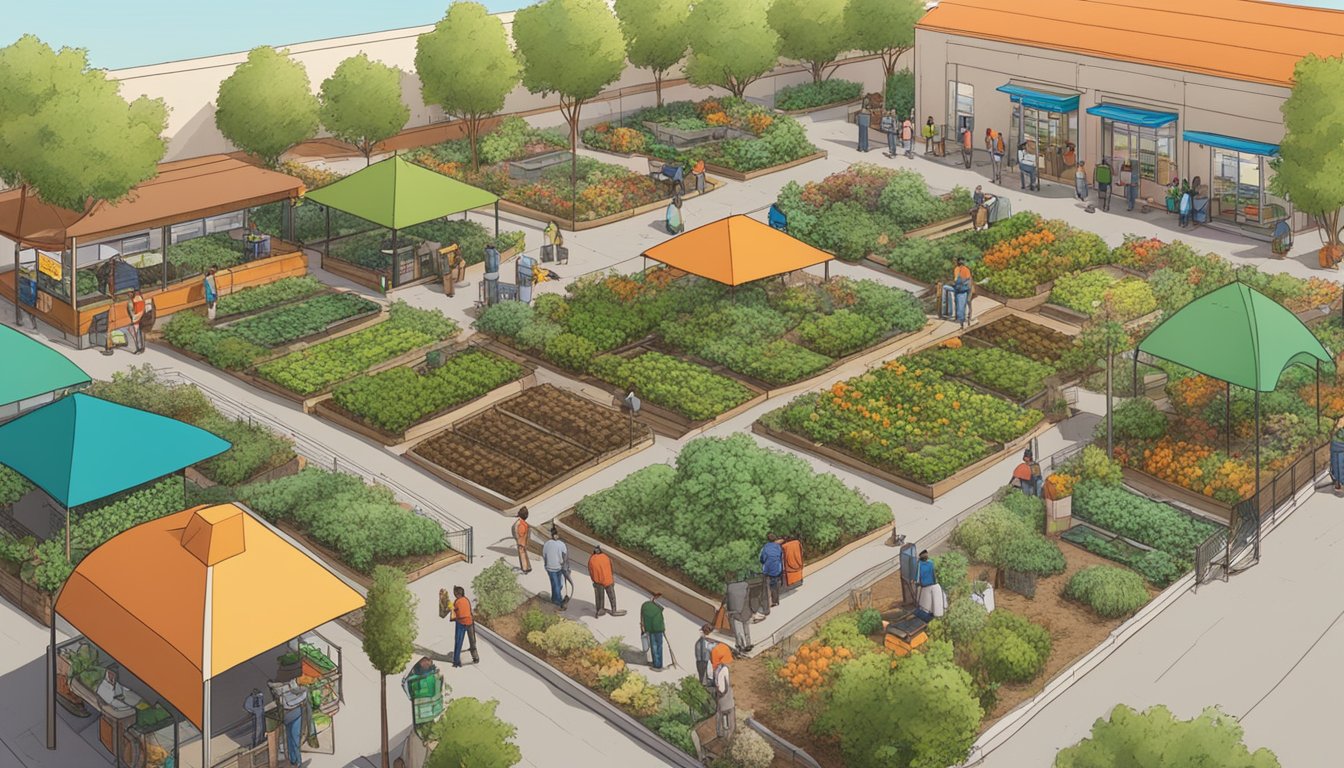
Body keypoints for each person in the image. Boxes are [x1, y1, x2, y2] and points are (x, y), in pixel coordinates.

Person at [724, 572, 753, 654]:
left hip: (734, 612)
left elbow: (727, 601)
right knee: (746, 628)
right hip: (745, 611)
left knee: (738, 630)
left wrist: (728, 610)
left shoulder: (729, 587)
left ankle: (740, 645)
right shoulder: (745, 585)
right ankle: (747, 643)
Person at [451, 586, 478, 667]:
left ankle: (456, 661)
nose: (454, 594)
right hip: (470, 623)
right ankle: (475, 657)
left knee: (458, 642)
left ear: (458, 594)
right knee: (472, 641)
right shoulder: (466, 600)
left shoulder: (457, 602)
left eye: (455, 592)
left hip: (461, 624)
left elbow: (455, 613)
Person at [542, 527, 569, 609]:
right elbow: (544, 555)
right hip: (550, 568)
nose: (556, 536)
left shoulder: (561, 544)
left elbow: (565, 555)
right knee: (556, 584)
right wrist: (546, 564)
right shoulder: (547, 544)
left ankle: (554, 598)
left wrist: (564, 563)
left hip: (559, 567)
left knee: (559, 584)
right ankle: (559, 602)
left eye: (557, 535)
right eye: (554, 535)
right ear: (552, 535)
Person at [942, 257, 973, 327]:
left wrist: (951, 283)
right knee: (963, 304)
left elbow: (956, 280)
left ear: (958, 263)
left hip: (959, 289)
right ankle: (962, 319)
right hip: (966, 290)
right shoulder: (967, 269)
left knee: (944, 288)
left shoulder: (957, 269)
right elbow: (968, 280)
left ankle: (947, 312)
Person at [589, 544, 618, 617]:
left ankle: (599, 610)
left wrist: (593, 580)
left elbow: (591, 571)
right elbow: (611, 568)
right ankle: (614, 610)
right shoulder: (606, 557)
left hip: (598, 581)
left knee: (599, 597)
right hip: (608, 580)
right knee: (611, 596)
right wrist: (612, 578)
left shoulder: (592, 559)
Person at [640, 592, 666, 670]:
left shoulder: (645, 606)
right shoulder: (657, 607)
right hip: (658, 629)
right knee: (659, 646)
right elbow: (661, 611)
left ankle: (656, 664)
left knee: (654, 646)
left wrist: (643, 628)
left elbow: (642, 618)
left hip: (650, 629)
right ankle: (659, 664)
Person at [713, 658, 736, 740]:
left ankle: (720, 733)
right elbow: (723, 688)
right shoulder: (724, 670)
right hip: (725, 698)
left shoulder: (717, 670)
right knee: (729, 715)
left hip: (721, 698)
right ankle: (729, 735)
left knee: (720, 714)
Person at [759, 534, 784, 607]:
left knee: (769, 584)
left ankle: (770, 601)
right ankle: (775, 600)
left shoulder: (765, 548)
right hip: (777, 568)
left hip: (768, 569)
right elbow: (780, 556)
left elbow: (762, 559)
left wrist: (764, 563)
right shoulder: (778, 547)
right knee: (774, 583)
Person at [126, 289, 147, 354]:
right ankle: (140, 348)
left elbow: (137, 310)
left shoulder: (136, 299)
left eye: (130, 293)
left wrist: (134, 318)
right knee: (139, 334)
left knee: (138, 334)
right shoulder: (136, 299)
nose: (129, 294)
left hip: (137, 319)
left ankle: (140, 348)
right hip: (138, 319)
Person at [512, 507, 531, 574]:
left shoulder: (520, 523)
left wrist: (518, 538)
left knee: (522, 555)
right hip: (523, 541)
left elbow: (520, 532)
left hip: (521, 541)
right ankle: (527, 567)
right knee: (524, 554)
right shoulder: (525, 523)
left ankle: (524, 569)